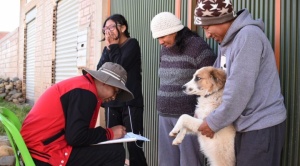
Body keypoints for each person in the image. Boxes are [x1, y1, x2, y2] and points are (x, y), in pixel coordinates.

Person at [193, 0, 287, 166]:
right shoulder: (227, 43)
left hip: (260, 125)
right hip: (243, 125)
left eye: (207, 28)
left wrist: (213, 122)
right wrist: (203, 113)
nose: (207, 35)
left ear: (221, 20)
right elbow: (218, 85)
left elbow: (238, 90)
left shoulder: (248, 37)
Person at [20, 62, 134, 166]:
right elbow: (76, 137)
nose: (114, 97)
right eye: (116, 91)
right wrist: (109, 133)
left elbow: (76, 135)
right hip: (43, 153)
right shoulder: (86, 93)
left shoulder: (83, 86)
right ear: (105, 82)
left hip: (35, 148)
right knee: (116, 153)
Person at [150, 12, 216, 166]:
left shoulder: (197, 47)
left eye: (162, 37)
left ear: (174, 31)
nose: (160, 42)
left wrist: (204, 114)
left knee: (190, 162)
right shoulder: (165, 49)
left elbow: (212, 85)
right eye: (158, 38)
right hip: (165, 115)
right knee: (167, 162)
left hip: (188, 117)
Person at [97, 14, 147, 166]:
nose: (108, 32)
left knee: (134, 144)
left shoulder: (132, 44)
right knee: (113, 145)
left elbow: (118, 68)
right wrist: (110, 48)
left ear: (123, 28)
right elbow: (101, 70)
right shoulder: (108, 48)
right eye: (105, 28)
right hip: (112, 103)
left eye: (111, 27)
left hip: (131, 102)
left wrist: (111, 47)